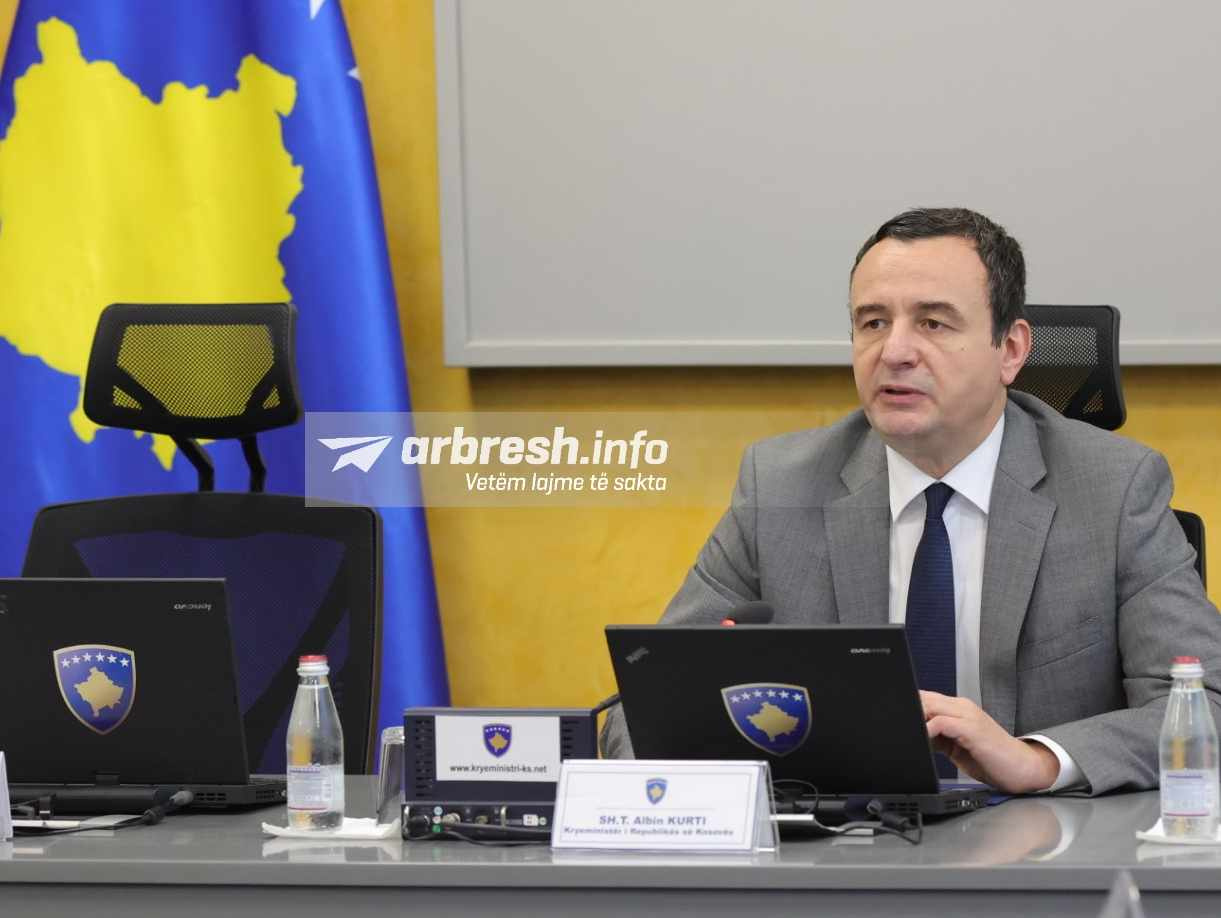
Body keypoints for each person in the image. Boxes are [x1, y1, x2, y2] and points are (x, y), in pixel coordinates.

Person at [601, 207, 1221, 795]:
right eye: (873, 322)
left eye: (933, 322)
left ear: (1010, 350)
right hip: (842, 848)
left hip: (1044, 845)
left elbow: (1204, 706)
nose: (894, 352)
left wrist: (1035, 760)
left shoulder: (1114, 489)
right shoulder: (779, 488)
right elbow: (642, 707)